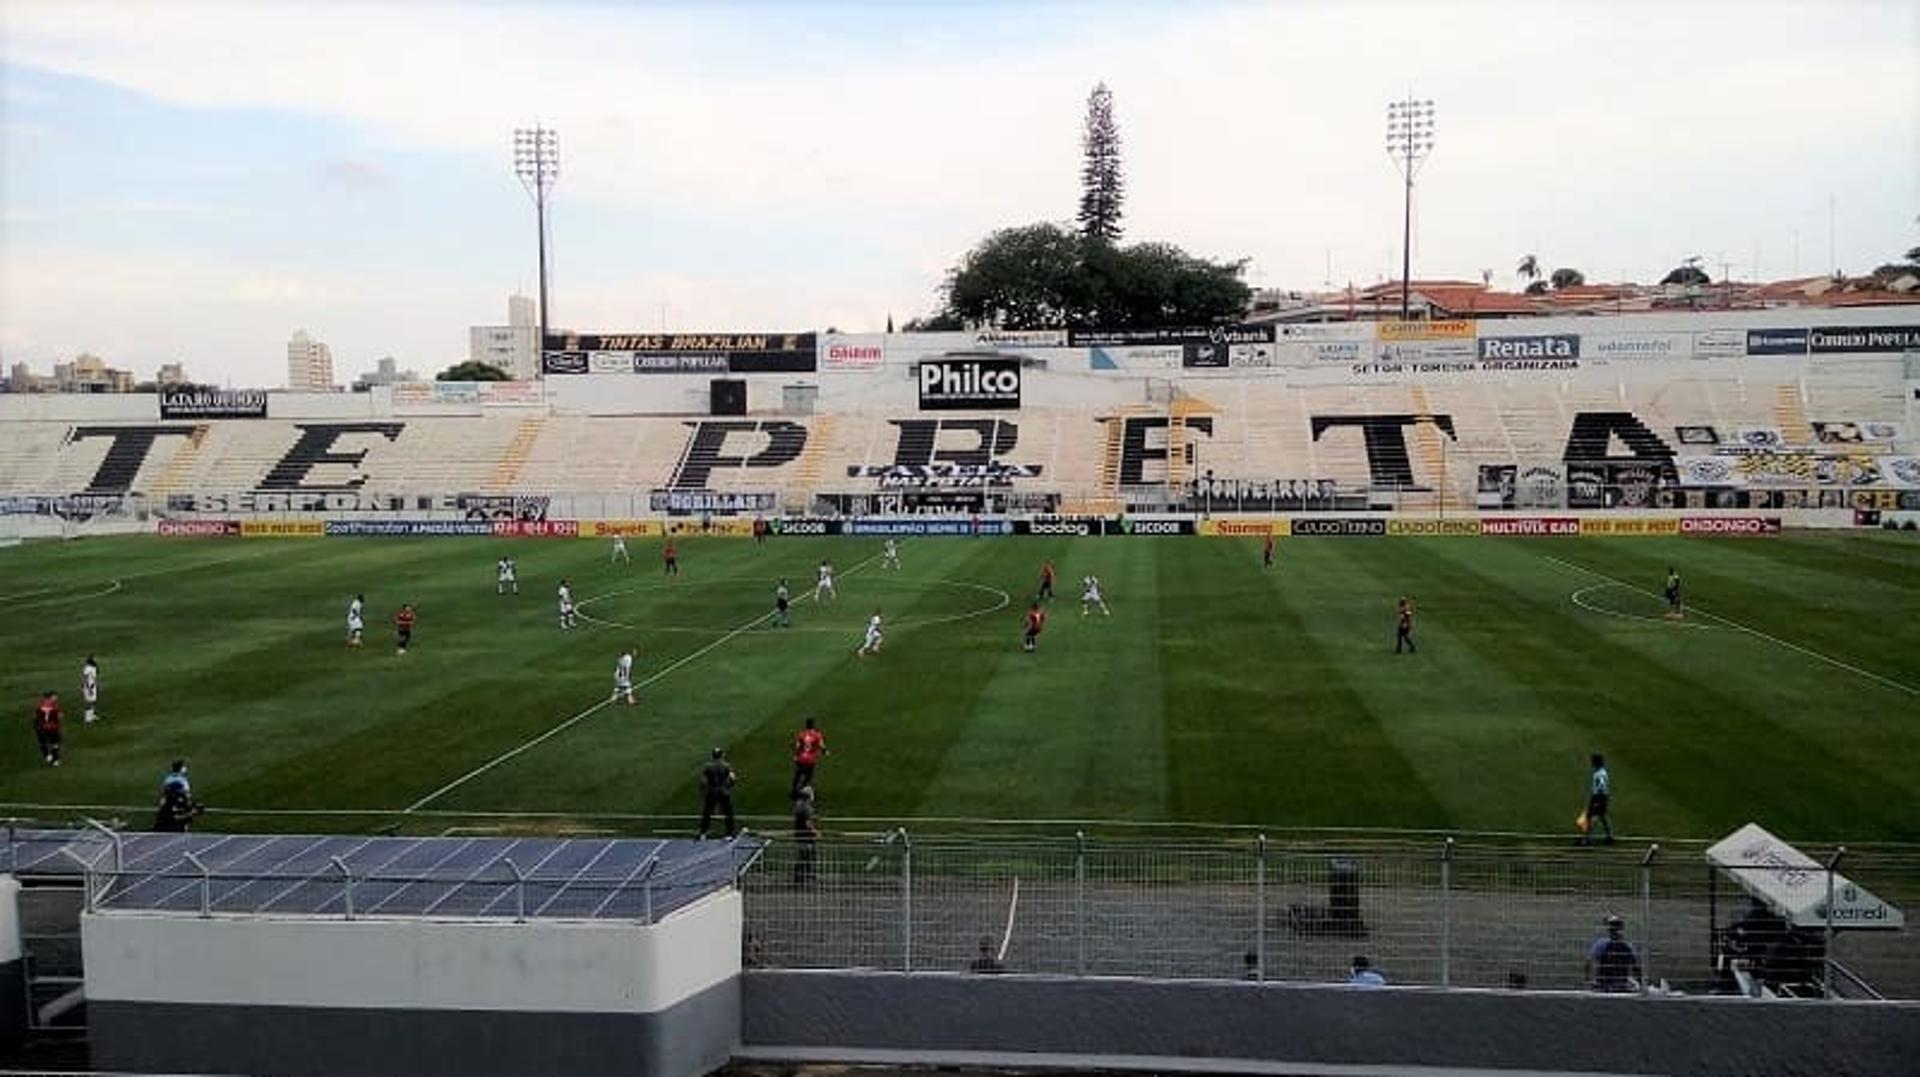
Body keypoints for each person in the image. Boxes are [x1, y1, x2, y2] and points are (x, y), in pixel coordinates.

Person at [1585, 914, 1642, 992]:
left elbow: (1588, 963)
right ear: (1621, 928)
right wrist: (1641, 984)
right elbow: (1636, 967)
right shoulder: (1627, 946)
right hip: (1620, 987)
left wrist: (1590, 982)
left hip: (1603, 986)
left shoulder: (1600, 944)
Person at [698, 748, 737, 839]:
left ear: (713, 756)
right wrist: (728, 786)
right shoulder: (726, 766)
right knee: (728, 813)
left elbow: (703, 781)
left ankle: (703, 833)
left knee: (707, 813)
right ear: (721, 755)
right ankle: (729, 834)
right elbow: (733, 778)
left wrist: (704, 791)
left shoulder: (708, 766)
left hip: (711, 792)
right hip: (723, 791)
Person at [154, 763, 202, 832]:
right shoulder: (183, 781)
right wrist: (192, 813)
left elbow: (164, 794)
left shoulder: (168, 779)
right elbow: (175, 818)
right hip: (169, 830)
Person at [1580, 753, 1614, 845]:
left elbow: (1601, 786)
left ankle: (1586, 839)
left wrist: (1597, 800)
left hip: (1599, 797)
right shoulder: (1601, 772)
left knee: (1590, 817)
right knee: (1603, 817)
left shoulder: (1599, 774)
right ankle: (1609, 836)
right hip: (1601, 797)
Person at [791, 783, 818, 888]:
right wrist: (816, 832)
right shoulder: (806, 807)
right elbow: (808, 823)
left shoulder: (799, 806)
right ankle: (807, 879)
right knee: (808, 859)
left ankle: (800, 880)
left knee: (802, 858)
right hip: (806, 837)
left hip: (800, 836)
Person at [791, 716, 826, 796]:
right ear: (813, 725)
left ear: (806, 725)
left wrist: (796, 755)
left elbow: (797, 746)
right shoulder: (817, 734)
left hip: (801, 758)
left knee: (798, 774)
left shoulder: (801, 734)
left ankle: (794, 790)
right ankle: (802, 789)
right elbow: (821, 745)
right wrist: (825, 751)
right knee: (808, 776)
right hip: (810, 759)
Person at [32, 691, 61, 766]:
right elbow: (59, 716)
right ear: (50, 697)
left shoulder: (40, 706)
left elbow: (35, 717)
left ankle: (48, 755)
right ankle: (55, 759)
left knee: (43, 743)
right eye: (54, 697)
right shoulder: (54, 706)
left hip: (42, 728)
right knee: (54, 744)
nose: (56, 698)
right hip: (51, 727)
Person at [81, 655, 100, 724]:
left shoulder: (94, 667)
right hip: (88, 686)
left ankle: (92, 714)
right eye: (94, 659)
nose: (96, 660)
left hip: (93, 685)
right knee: (89, 701)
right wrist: (89, 688)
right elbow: (85, 678)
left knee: (93, 701)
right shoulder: (87, 668)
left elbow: (94, 677)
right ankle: (87, 718)